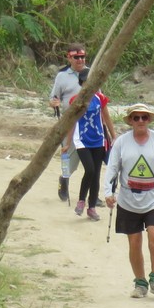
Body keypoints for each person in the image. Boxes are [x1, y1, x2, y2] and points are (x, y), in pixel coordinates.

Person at [104, 103, 154, 298]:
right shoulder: (121, 143)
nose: (140, 121)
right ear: (131, 121)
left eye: (144, 117)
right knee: (134, 241)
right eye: (136, 117)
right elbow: (112, 168)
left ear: (149, 120)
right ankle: (140, 283)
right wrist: (108, 192)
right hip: (127, 198)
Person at [68, 88, 116, 221]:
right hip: (81, 140)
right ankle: (81, 200)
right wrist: (67, 143)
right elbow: (72, 122)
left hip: (98, 140)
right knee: (89, 169)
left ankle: (92, 208)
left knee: (96, 174)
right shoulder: (76, 100)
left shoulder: (100, 98)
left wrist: (114, 136)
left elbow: (106, 117)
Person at [49, 43, 89, 202]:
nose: (80, 60)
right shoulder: (62, 76)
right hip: (69, 121)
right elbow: (53, 98)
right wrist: (54, 103)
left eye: (82, 56)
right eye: (76, 57)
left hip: (89, 122)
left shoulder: (91, 73)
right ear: (69, 58)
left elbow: (100, 97)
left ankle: (93, 195)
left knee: (92, 159)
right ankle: (64, 180)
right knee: (69, 155)